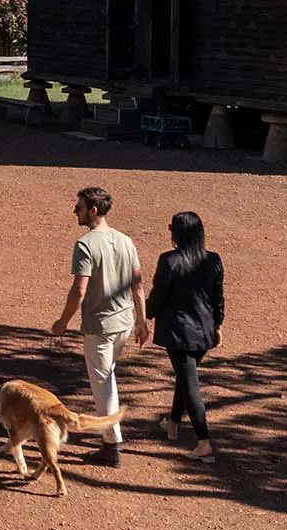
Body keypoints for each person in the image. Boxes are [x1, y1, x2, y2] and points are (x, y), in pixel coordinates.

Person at [49, 185, 147, 465]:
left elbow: (79, 290)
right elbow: (137, 284)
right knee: (108, 378)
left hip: (99, 327)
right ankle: (110, 440)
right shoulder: (126, 241)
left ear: (92, 210)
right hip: (124, 323)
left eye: (78, 207)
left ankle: (112, 444)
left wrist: (62, 322)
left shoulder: (85, 245)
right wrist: (141, 320)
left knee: (102, 385)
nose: (74, 211)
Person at [146, 210, 225, 461]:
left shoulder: (169, 260)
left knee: (190, 384)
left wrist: (144, 316)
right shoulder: (213, 260)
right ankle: (172, 423)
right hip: (204, 331)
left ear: (177, 233)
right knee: (184, 376)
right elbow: (217, 299)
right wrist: (218, 325)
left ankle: (203, 442)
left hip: (178, 332)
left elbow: (159, 295)